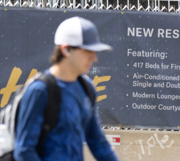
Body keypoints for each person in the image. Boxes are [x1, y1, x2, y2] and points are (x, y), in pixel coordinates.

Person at [14, 17, 119, 161]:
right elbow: (24, 150)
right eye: (87, 51)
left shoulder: (87, 88)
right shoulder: (39, 90)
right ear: (66, 50)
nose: (94, 58)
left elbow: (98, 143)